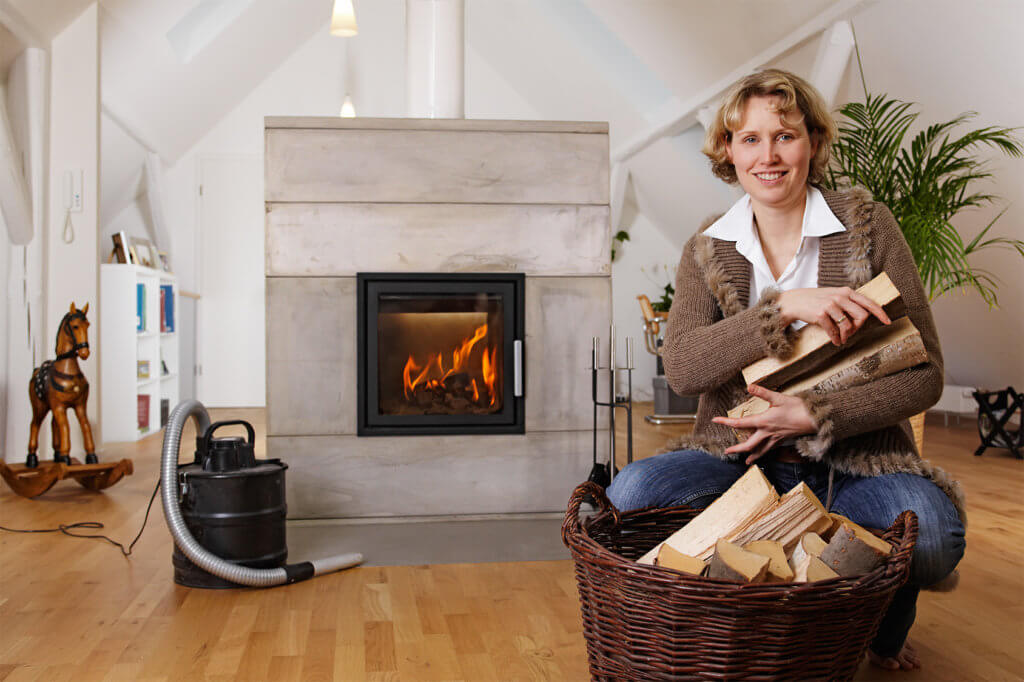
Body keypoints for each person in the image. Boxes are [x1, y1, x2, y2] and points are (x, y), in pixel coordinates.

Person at [607, 68, 965, 672]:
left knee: (932, 534)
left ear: (814, 143)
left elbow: (925, 375)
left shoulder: (868, 226)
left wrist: (813, 415)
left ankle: (875, 615)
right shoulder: (707, 245)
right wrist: (783, 307)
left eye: (785, 136)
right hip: (736, 461)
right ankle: (763, 600)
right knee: (631, 492)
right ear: (727, 150)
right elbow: (684, 366)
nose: (767, 155)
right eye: (749, 139)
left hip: (857, 464)